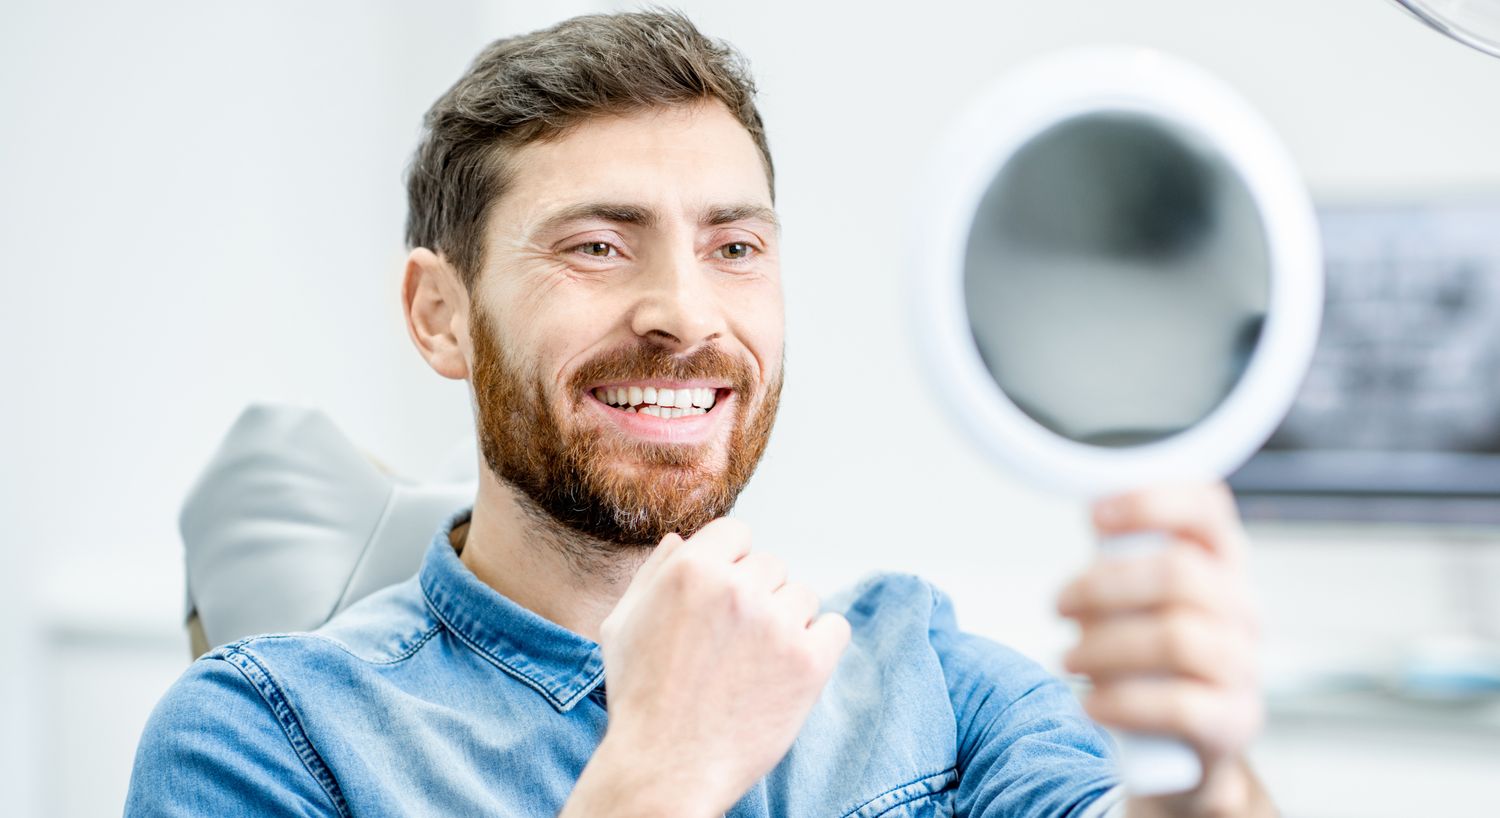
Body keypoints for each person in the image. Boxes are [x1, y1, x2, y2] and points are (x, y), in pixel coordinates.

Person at [126, 10, 1271, 817]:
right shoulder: (265, 734)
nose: (684, 312)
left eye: (734, 247)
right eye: (597, 245)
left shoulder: (927, 675)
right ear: (440, 315)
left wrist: (1208, 783)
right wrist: (659, 772)